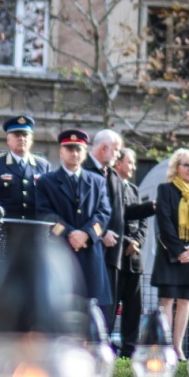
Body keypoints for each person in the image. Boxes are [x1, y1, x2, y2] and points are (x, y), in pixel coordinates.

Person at [35, 129, 113, 315]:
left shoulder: (97, 181)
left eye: (78, 149)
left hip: (89, 252)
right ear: (61, 152)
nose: (74, 153)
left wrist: (86, 234)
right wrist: (69, 233)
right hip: (61, 250)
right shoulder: (47, 181)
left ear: (85, 152)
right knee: (59, 305)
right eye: (69, 149)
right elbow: (45, 214)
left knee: (90, 308)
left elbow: (104, 212)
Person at [153, 148, 189, 359]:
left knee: (185, 301)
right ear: (176, 167)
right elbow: (164, 223)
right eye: (186, 164)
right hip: (171, 254)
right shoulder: (165, 190)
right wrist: (179, 251)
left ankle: (177, 347)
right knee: (167, 300)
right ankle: (165, 346)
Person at [84, 129, 133, 345]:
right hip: (89, 250)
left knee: (108, 305)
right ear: (104, 148)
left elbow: (119, 212)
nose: (118, 155)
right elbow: (83, 212)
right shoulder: (83, 170)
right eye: (116, 150)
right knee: (88, 302)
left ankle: (101, 347)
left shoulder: (112, 175)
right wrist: (100, 233)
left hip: (113, 253)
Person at [114, 147, 156, 358]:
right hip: (116, 256)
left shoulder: (133, 189)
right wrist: (126, 242)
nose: (133, 167)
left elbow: (142, 222)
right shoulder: (109, 185)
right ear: (118, 163)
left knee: (133, 308)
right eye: (129, 162)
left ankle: (129, 349)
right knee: (111, 305)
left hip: (134, 259)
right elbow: (113, 219)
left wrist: (137, 242)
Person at [0, 115, 51, 220]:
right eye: (17, 135)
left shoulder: (43, 165)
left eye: (25, 135)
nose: (21, 139)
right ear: (8, 139)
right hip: (6, 226)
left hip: (33, 226)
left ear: (31, 139)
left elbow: (47, 200)